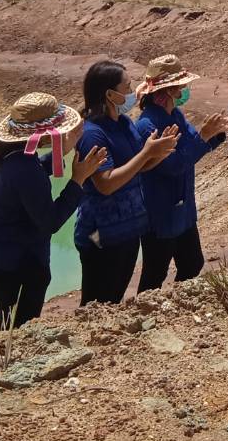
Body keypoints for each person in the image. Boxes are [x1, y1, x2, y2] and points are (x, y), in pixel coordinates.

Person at [0, 93, 107, 328]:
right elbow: (50, 222)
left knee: (7, 320)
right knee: (22, 326)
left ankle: (2, 355)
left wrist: (58, 153)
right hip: (14, 264)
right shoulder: (24, 168)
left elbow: (29, 173)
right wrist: (78, 179)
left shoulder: (4, 153)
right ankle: (12, 360)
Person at [75, 61, 181, 306]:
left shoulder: (123, 124)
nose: (133, 92)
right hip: (100, 233)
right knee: (96, 303)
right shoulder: (93, 133)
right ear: (110, 94)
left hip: (128, 230)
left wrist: (159, 153)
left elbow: (137, 167)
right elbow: (106, 184)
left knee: (115, 296)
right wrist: (146, 153)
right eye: (127, 86)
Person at [133, 55, 228, 293]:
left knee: (192, 262)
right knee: (155, 272)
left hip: (182, 207)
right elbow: (173, 165)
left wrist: (213, 134)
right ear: (169, 90)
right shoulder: (148, 125)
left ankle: (177, 304)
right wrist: (204, 137)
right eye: (181, 86)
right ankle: (147, 312)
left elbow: (191, 145)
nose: (185, 89)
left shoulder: (175, 115)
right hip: (160, 211)